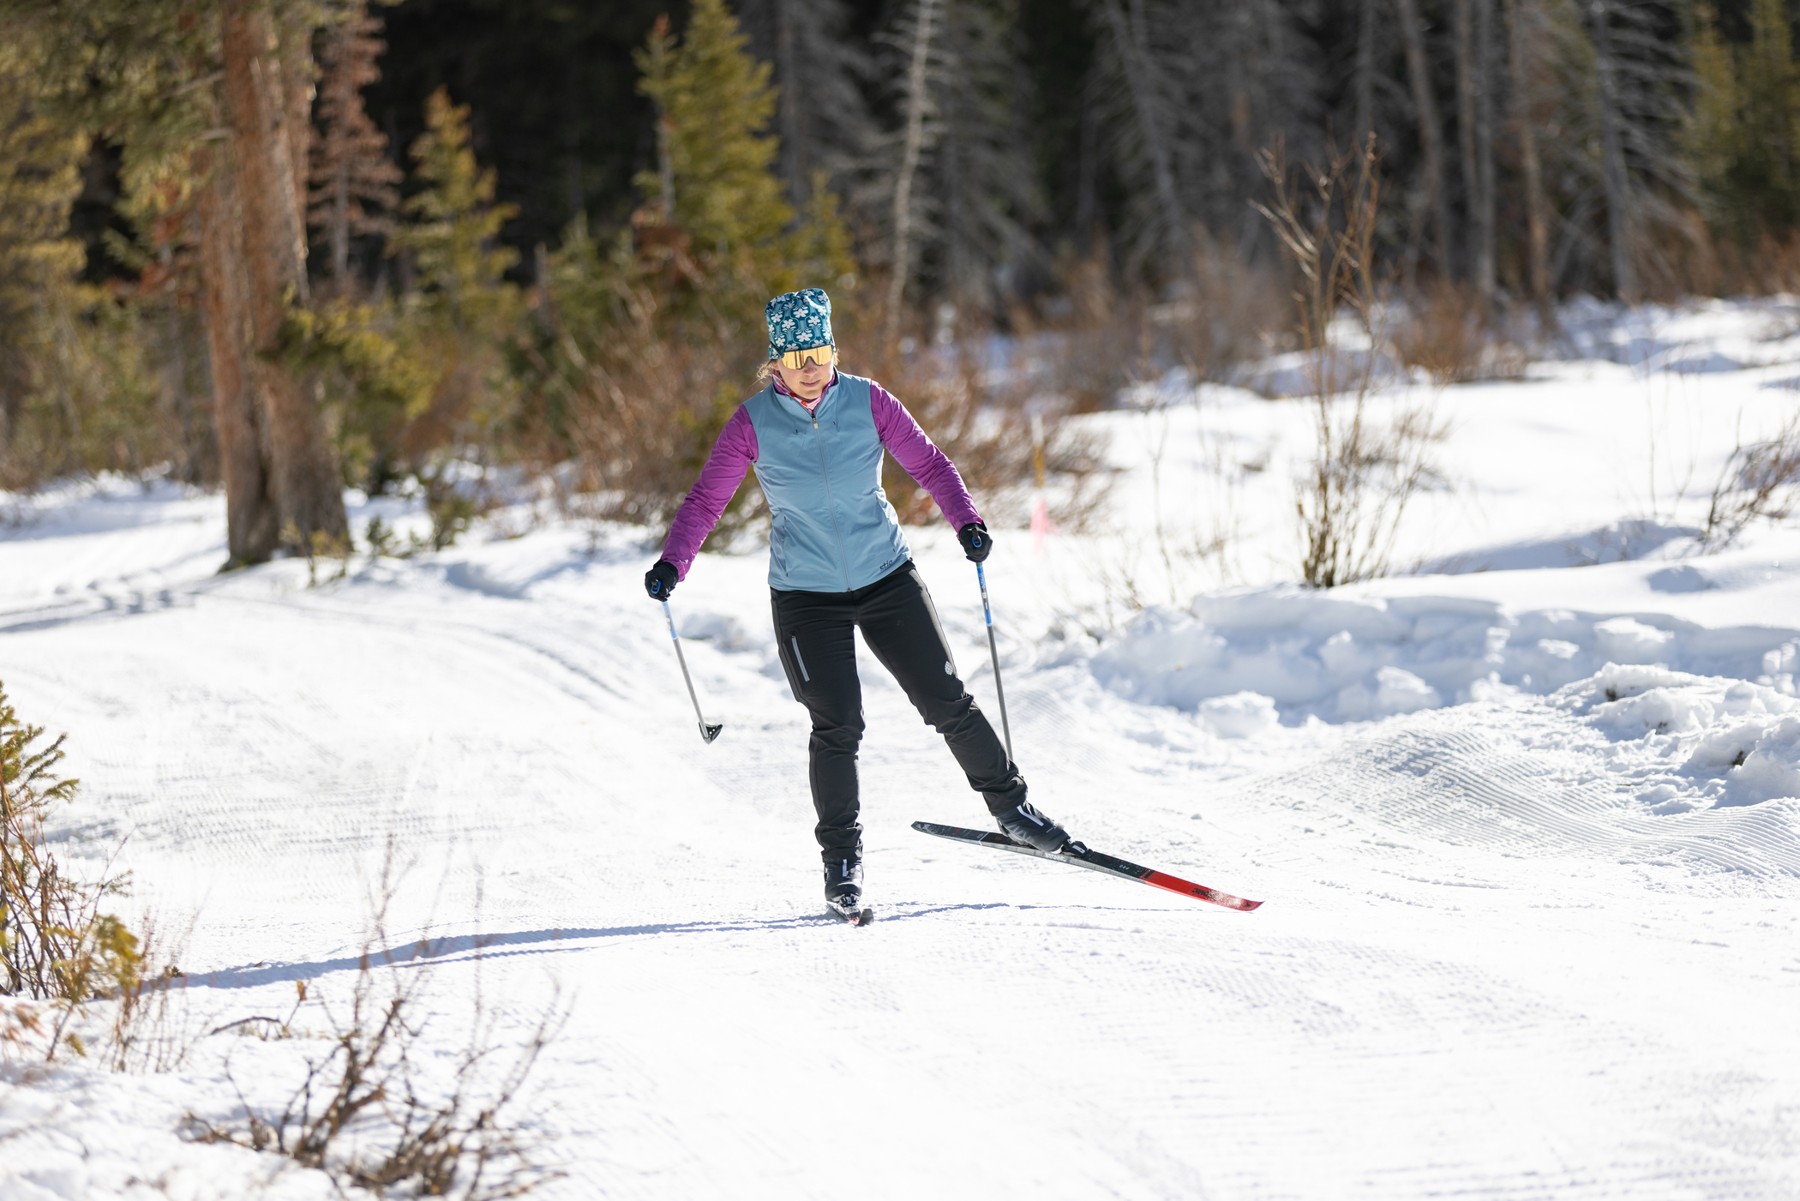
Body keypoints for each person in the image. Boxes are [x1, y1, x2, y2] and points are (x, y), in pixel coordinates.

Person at [644, 287, 1072, 917]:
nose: (810, 366)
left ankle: (1014, 811)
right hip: (805, 594)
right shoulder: (752, 424)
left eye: (818, 351)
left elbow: (929, 464)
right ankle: (841, 861)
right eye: (796, 356)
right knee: (837, 723)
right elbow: (707, 502)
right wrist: (673, 562)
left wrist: (967, 522)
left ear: (833, 350)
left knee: (946, 699)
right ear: (775, 363)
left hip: (885, 575)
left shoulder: (869, 401)